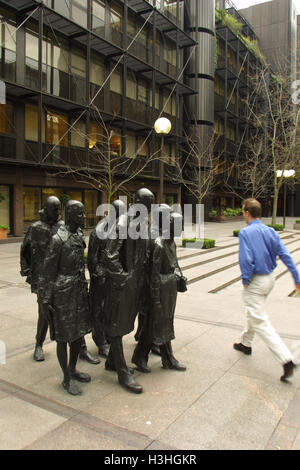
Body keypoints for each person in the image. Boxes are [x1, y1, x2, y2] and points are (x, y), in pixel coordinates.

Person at [234, 198, 300, 381]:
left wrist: (246, 280)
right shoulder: (270, 231)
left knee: (260, 320)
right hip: (270, 279)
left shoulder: (245, 233)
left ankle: (286, 359)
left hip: (256, 281)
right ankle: (245, 343)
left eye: (242, 211)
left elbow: (245, 260)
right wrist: (297, 278)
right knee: (254, 312)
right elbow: (286, 255)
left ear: (247, 212)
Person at [104, 188, 154, 393]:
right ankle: (122, 372)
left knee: (127, 324)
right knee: (118, 326)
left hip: (138, 284)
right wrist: (123, 278)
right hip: (124, 285)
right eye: (147, 202)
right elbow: (110, 255)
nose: (150, 206)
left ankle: (110, 361)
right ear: (136, 201)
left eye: (151, 203)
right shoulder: (124, 222)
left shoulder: (143, 223)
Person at [40, 200, 92, 395]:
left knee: (78, 335)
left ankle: (73, 368)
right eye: (80, 214)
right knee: (63, 337)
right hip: (63, 293)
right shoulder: (57, 240)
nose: (84, 217)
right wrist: (45, 300)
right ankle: (66, 377)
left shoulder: (78, 235)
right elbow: (47, 272)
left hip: (78, 290)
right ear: (70, 215)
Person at [132, 207, 186, 373]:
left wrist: (178, 278)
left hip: (168, 290)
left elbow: (173, 266)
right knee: (155, 325)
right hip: (159, 291)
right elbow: (154, 275)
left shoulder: (171, 244)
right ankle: (148, 357)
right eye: (178, 226)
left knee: (163, 324)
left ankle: (161, 358)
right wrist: (155, 299)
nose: (181, 229)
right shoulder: (159, 244)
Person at [20, 196, 64, 361]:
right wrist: (26, 271)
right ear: (45, 209)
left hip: (60, 277)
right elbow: (24, 250)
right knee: (44, 312)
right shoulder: (35, 228)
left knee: (67, 313)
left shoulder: (62, 227)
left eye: (59, 209)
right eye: (55, 209)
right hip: (42, 278)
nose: (58, 212)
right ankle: (39, 344)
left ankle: (78, 347)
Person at [87, 199, 126, 358]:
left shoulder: (119, 229)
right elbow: (91, 258)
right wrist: (97, 274)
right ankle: (101, 341)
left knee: (111, 309)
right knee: (98, 310)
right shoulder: (99, 230)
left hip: (113, 278)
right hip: (102, 278)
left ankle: (109, 336)